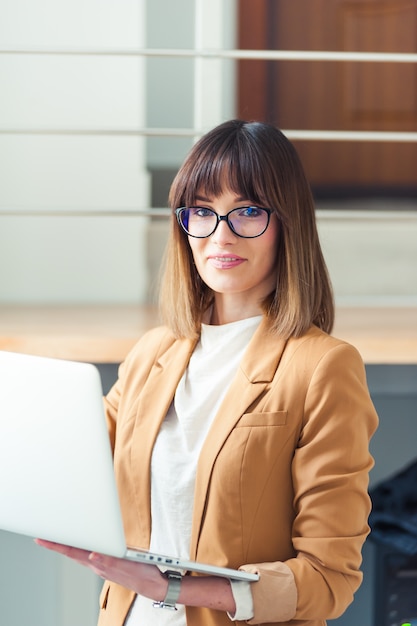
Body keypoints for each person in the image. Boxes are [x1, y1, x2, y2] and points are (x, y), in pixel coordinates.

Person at [37, 119, 379, 626]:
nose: (220, 234)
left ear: (287, 223)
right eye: (202, 212)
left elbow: (329, 579)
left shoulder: (322, 367)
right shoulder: (153, 353)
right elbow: (76, 473)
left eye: (247, 211)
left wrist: (178, 588)